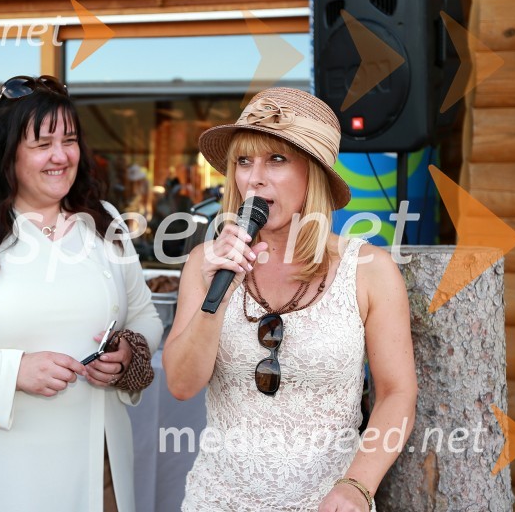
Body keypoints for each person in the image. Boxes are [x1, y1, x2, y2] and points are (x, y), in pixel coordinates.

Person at [0, 75, 163, 512]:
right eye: (42, 144)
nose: (61, 156)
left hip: (98, 472)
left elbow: (146, 318)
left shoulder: (104, 222)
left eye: (70, 140)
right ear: (8, 154)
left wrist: (128, 355)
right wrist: (13, 371)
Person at [162, 87, 417, 511]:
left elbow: (396, 392)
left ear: (313, 174)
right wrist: (217, 296)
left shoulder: (370, 270)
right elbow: (181, 385)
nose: (254, 178)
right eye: (244, 161)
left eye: (276, 160)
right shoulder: (204, 263)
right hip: (217, 501)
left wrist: (358, 485)